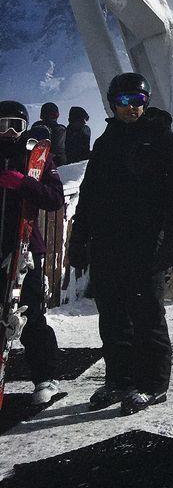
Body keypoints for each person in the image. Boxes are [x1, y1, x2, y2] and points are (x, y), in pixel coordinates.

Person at [64, 73, 173, 416]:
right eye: (123, 102)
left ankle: (152, 385)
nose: (131, 108)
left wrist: (170, 243)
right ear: (112, 104)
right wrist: (79, 239)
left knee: (147, 316)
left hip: (147, 244)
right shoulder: (105, 143)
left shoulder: (164, 140)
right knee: (113, 317)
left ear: (146, 102)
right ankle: (119, 380)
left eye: (138, 101)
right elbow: (89, 196)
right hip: (107, 244)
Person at [0, 100, 65, 405]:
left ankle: (45, 377)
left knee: (30, 315)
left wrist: (25, 183)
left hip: (24, 248)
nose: (10, 132)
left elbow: (54, 199)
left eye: (17, 124)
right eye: (2, 125)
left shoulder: (33, 158)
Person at [33, 102, 67, 168]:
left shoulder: (35, 127)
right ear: (57, 115)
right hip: (57, 165)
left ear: (41, 115)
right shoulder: (61, 130)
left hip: (36, 164)